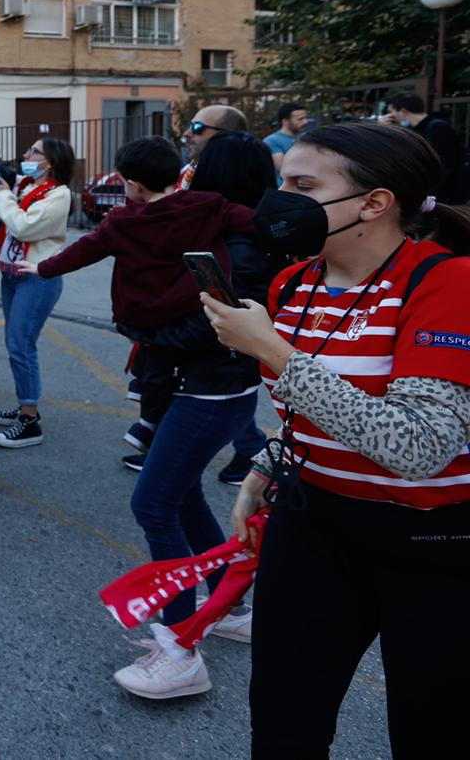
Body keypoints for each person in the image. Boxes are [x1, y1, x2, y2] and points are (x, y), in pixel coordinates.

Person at [201, 121, 470, 757]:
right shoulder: (293, 284)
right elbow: (312, 409)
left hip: (432, 546)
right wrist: (268, 466)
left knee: (432, 733)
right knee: (283, 722)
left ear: (374, 203)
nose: (279, 202)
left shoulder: (448, 282)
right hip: (312, 525)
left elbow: (419, 447)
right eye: (281, 184)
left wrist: (274, 351)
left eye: (302, 186)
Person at [105, 134, 279, 700]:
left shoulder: (241, 243)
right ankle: (231, 608)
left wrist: (143, 331)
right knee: (180, 498)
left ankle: (180, 650)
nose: (189, 173)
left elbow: (212, 324)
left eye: (199, 164)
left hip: (210, 391)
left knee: (153, 504)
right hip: (203, 387)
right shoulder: (223, 229)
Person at [21, 138, 255, 464]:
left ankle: (150, 424)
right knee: (165, 369)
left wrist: (43, 268)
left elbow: (83, 251)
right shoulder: (207, 205)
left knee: (156, 370)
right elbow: (252, 220)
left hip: (146, 316)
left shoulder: (123, 223)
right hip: (191, 308)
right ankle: (151, 424)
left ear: (135, 185)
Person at [0, 108, 74, 450]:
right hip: (13, 274)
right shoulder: (25, 185)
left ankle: (29, 419)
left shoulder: (59, 194)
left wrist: (3, 196)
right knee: (17, 344)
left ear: (50, 162)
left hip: (37, 279)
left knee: (20, 345)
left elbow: (23, 226)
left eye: (34, 152)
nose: (26, 156)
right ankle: (25, 405)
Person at [385, 92, 467, 204]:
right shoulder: (416, 130)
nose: (390, 116)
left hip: (444, 196)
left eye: (391, 112)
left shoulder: (437, 127)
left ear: (403, 111)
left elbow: (446, 164)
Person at [180, 104, 248, 188]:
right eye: (189, 126)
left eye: (197, 127)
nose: (186, 133)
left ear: (226, 135)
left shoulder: (240, 182)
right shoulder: (185, 174)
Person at [263, 102, 307, 181]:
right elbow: (284, 169)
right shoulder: (272, 141)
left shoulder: (306, 138)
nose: (305, 122)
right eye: (300, 119)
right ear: (285, 121)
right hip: (284, 187)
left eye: (305, 118)